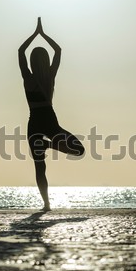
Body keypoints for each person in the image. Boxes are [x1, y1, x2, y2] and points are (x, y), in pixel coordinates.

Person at [18, 18, 85, 211]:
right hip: (49, 121)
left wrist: (35, 34)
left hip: (36, 123)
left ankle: (46, 204)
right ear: (45, 61)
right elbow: (58, 51)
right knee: (78, 150)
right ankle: (46, 203)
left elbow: (21, 52)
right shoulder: (49, 77)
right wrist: (43, 35)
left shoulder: (28, 77)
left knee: (40, 166)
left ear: (32, 62)